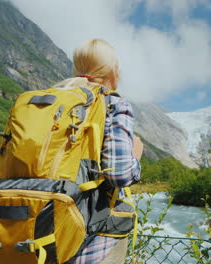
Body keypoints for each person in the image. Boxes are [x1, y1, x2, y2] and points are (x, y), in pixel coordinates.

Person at [55, 39, 143, 264]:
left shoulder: (52, 101)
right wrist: (135, 154)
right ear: (114, 73)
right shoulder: (113, 104)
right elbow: (119, 174)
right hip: (89, 242)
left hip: (38, 233)